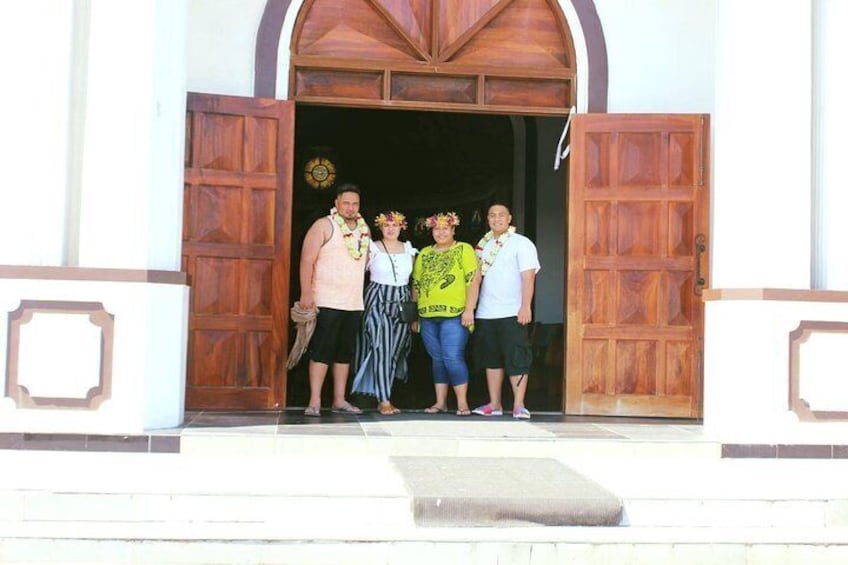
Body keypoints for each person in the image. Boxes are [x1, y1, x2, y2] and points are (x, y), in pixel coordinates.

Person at [298, 183, 370, 416]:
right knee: (322, 350)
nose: (350, 208)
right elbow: (307, 260)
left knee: (344, 352)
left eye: (355, 204)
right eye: (346, 203)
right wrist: (306, 293)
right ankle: (315, 400)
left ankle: (339, 399)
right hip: (326, 300)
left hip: (353, 301)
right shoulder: (323, 225)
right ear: (337, 203)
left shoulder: (363, 228)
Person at [471, 203, 541, 419]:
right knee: (491, 359)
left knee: (517, 357)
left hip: (512, 311)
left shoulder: (521, 243)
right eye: (492, 215)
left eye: (501, 215)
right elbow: (474, 279)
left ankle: (519, 405)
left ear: (509, 218)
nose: (496, 218)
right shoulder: (483, 245)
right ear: (488, 219)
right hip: (486, 311)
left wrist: (525, 306)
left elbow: (528, 277)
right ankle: (494, 404)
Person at [411, 212, 480, 416]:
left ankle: (462, 402)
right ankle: (440, 402)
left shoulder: (464, 249)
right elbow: (416, 284)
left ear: (453, 230)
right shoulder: (424, 253)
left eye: (445, 228)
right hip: (427, 315)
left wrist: (469, 309)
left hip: (456, 314)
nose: (440, 232)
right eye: (436, 229)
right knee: (437, 358)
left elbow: (473, 280)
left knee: (452, 357)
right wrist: (415, 315)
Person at [351, 211, 418, 415]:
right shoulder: (372, 248)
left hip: (402, 302)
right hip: (377, 299)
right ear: (380, 227)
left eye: (395, 225)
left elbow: (415, 282)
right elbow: (355, 274)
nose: (391, 229)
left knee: (394, 351)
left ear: (401, 227)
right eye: (386, 225)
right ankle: (384, 399)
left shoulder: (409, 250)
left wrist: (414, 311)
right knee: (382, 345)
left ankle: (381, 392)